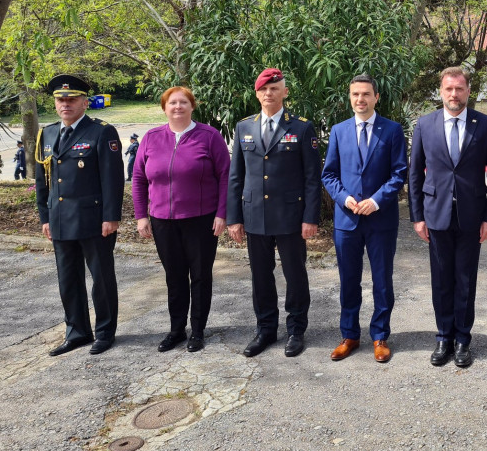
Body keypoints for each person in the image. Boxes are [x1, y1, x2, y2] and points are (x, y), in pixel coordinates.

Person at [409, 67, 487, 368]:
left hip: (471, 217)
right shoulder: (425, 124)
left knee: (465, 279)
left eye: (460, 89)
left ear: (468, 91)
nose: (454, 94)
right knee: (441, 280)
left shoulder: (485, 125)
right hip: (436, 216)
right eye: (449, 89)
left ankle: (463, 338)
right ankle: (443, 337)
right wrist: (417, 217)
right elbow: (414, 174)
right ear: (441, 91)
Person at [227, 69, 322, 358]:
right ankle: (265, 329)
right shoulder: (244, 127)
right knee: (260, 276)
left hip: (291, 216)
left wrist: (310, 217)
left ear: (285, 92)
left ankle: (296, 330)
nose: (269, 93)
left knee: (295, 275)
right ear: (256, 94)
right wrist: (234, 217)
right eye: (264, 89)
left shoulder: (302, 128)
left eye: (275, 88)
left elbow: (312, 178)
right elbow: (236, 177)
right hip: (255, 215)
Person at [132, 87, 231, 353]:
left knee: (200, 276)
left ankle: (197, 331)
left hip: (201, 219)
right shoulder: (152, 138)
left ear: (192, 106)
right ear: (164, 108)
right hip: (163, 220)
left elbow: (226, 177)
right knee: (174, 277)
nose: (178, 107)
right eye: (172, 103)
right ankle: (177, 329)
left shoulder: (209, 136)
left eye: (183, 102)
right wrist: (141, 215)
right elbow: (139, 179)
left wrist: (222, 213)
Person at [35, 74, 124, 356]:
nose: (65, 104)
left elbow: (113, 179)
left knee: (101, 278)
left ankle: (105, 332)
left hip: (94, 220)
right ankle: (77, 332)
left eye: (72, 99)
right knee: (68, 279)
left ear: (85, 102)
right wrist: (45, 217)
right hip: (60, 219)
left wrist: (111, 216)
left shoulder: (101, 132)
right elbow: (42, 181)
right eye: (60, 100)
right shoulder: (46, 134)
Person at [322, 74, 408, 364]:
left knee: (382, 281)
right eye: (355, 94)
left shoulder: (393, 130)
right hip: (347, 219)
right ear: (350, 97)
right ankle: (349, 335)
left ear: (376, 97)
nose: (360, 99)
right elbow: (329, 174)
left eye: (366, 94)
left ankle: (380, 336)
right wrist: (345, 198)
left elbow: (399, 173)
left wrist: (376, 201)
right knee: (349, 280)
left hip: (380, 220)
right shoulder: (338, 130)